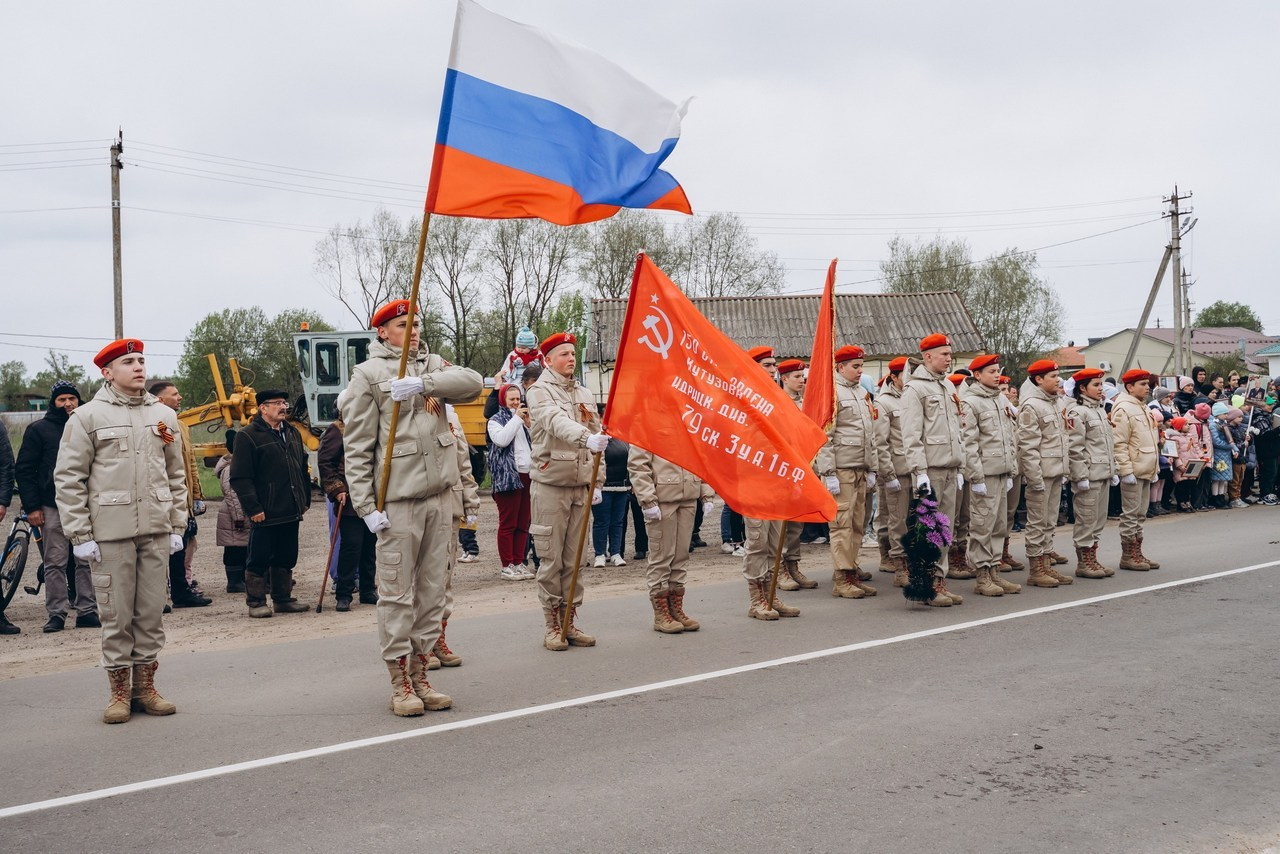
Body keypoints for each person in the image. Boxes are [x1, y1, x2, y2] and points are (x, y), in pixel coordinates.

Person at [344, 300, 482, 714]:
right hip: (398, 504)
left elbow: (473, 382)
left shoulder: (433, 366)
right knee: (397, 596)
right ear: (383, 332)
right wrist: (366, 506)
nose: (415, 331)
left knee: (432, 593)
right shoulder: (368, 375)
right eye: (404, 325)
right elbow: (357, 447)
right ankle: (400, 682)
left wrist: (425, 385)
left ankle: (423, 675)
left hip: (440, 498)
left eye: (418, 323)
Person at [54, 338, 188, 723]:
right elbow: (68, 479)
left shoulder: (163, 415)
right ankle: (117, 695)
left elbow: (176, 473)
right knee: (116, 617)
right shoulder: (87, 417)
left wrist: (177, 524)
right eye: (129, 361)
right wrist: (79, 534)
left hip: (156, 530)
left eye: (142, 360)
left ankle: (144, 689)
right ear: (107, 372)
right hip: (110, 533)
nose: (139, 367)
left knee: (150, 614)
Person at [526, 331, 608, 650]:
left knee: (575, 560)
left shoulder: (585, 394)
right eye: (563, 354)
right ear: (547, 360)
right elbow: (554, 421)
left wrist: (597, 482)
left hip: (580, 486)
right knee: (551, 559)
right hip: (550, 485)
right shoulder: (539, 392)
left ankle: (569, 621)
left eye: (573, 354)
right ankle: (551, 624)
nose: (570, 359)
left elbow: (597, 437)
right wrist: (584, 438)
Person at [15, 380, 100, 632]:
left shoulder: (87, 426)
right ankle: (57, 614)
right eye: (61, 399)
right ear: (54, 402)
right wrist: (32, 507)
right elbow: (25, 470)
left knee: (86, 559)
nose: (67, 403)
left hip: (86, 503)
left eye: (71, 399)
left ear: (78, 401)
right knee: (55, 562)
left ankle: (87, 609)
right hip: (51, 504)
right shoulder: (38, 430)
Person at [899, 334, 970, 606]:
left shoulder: (945, 387)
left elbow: (957, 431)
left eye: (949, 354)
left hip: (950, 467)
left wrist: (961, 464)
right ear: (928, 356)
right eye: (944, 354)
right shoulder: (915, 389)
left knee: (946, 529)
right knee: (929, 530)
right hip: (931, 469)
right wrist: (920, 471)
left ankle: (940, 581)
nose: (949, 359)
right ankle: (926, 586)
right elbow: (911, 434)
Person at [230, 388, 313, 617]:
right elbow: (240, 477)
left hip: (291, 508)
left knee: (287, 555)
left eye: (284, 402)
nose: (283, 406)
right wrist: (253, 508)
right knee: (258, 558)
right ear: (262, 408)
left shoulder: (293, 433)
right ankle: (256, 603)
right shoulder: (247, 436)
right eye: (276, 403)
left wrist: (304, 498)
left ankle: (282, 599)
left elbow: (302, 467)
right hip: (265, 511)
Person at [816, 346, 889, 599]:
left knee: (858, 524)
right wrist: (829, 472)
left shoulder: (862, 393)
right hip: (842, 469)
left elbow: (872, 435)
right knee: (841, 525)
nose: (860, 371)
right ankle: (841, 578)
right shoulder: (832, 393)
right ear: (840, 367)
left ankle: (852, 572)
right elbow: (824, 436)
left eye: (861, 366)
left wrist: (873, 468)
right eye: (855, 366)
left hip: (861, 467)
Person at [628, 447, 714, 633]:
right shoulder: (647, 424)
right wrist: (648, 500)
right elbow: (638, 466)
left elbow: (700, 459)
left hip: (688, 497)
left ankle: (675, 609)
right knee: (662, 557)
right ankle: (661, 614)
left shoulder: (687, 423)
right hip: (662, 499)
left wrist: (706, 492)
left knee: (681, 556)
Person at [958, 354, 1022, 596]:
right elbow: (969, 443)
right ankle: (982, 574)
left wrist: (1011, 470)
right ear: (977, 375)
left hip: (1001, 470)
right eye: (992, 371)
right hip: (984, 473)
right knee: (982, 525)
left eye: (998, 371)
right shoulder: (970, 402)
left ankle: (994, 568)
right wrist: (975, 477)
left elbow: (1009, 437)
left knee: (998, 524)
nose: (997, 375)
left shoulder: (1000, 399)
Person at [149, 381, 211, 608]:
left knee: (182, 545)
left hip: (181, 496)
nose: (180, 397)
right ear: (160, 400)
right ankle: (159, 597)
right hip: (161, 496)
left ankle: (180, 591)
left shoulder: (181, 425)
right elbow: (166, 457)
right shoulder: (159, 424)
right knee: (159, 549)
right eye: (175, 394)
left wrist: (196, 495)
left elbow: (188, 462)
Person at [1017, 360, 1074, 588]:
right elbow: (1028, 446)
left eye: (1058, 375)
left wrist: (1064, 469)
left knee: (1050, 521)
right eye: (1052, 376)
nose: (1058, 379)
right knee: (1037, 522)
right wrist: (1034, 477)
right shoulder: (1031, 405)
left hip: (1055, 471)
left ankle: (1046, 563)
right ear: (1038, 379)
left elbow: (1062, 439)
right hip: (1040, 474)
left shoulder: (1055, 403)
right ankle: (1036, 569)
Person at [318, 395, 378, 611]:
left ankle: (368, 590)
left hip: (371, 496)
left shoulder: (370, 425)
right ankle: (344, 593)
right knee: (351, 546)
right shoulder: (336, 429)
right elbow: (326, 462)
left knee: (370, 546)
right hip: (349, 498)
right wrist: (337, 489)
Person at [1064, 368, 1118, 578]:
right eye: (1095, 385)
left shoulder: (1099, 410)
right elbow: (1075, 447)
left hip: (1102, 472)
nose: (1100, 389)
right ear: (1082, 388)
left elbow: (1107, 444)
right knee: (1086, 519)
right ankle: (1084, 562)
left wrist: (1114, 469)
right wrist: (1080, 476)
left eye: (1101, 384)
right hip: (1089, 475)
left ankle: (1093, 557)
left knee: (1098, 519)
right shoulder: (1078, 412)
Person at [775, 358, 820, 591]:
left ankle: (793, 564)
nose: (802, 381)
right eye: (797, 377)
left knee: (797, 523)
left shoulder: (805, 403)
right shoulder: (777, 402)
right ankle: (780, 567)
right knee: (783, 521)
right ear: (784, 379)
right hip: (785, 469)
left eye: (803, 377)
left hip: (805, 467)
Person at [1112, 369, 1162, 570]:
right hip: (1133, 469)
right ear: (1129, 387)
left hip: (1145, 468)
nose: (1147, 387)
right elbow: (1119, 443)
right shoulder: (1123, 408)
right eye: (1142, 384)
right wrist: (1125, 470)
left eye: (1147, 383)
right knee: (1130, 514)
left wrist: (1155, 466)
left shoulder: (1142, 407)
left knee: (1140, 514)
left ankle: (1137, 552)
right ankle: (1128, 555)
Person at [487, 382, 535, 581]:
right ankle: (507, 565)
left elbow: (533, 443)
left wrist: (529, 425)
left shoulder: (523, 419)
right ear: (503, 400)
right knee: (508, 523)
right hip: (508, 477)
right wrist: (516, 419)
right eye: (512, 399)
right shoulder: (495, 420)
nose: (516, 403)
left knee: (523, 523)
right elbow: (502, 440)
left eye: (518, 399)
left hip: (527, 474)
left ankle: (518, 562)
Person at [874, 357, 913, 587]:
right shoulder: (884, 403)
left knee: (911, 519)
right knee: (896, 520)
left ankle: (910, 561)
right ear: (894, 377)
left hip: (914, 468)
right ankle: (898, 565)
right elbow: (881, 442)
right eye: (905, 376)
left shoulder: (911, 399)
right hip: (896, 470)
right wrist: (888, 475)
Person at [214, 429, 249, 594]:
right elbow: (232, 494)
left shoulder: (237, 464)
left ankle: (240, 579)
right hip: (234, 514)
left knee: (240, 546)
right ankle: (234, 582)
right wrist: (238, 517)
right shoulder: (231, 468)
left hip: (236, 513)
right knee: (235, 548)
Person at [592, 436, 632, 567]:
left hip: (622, 486)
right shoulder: (598, 437)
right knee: (602, 522)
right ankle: (599, 554)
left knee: (618, 521)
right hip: (603, 486)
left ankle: (616, 552)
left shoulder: (623, 438)